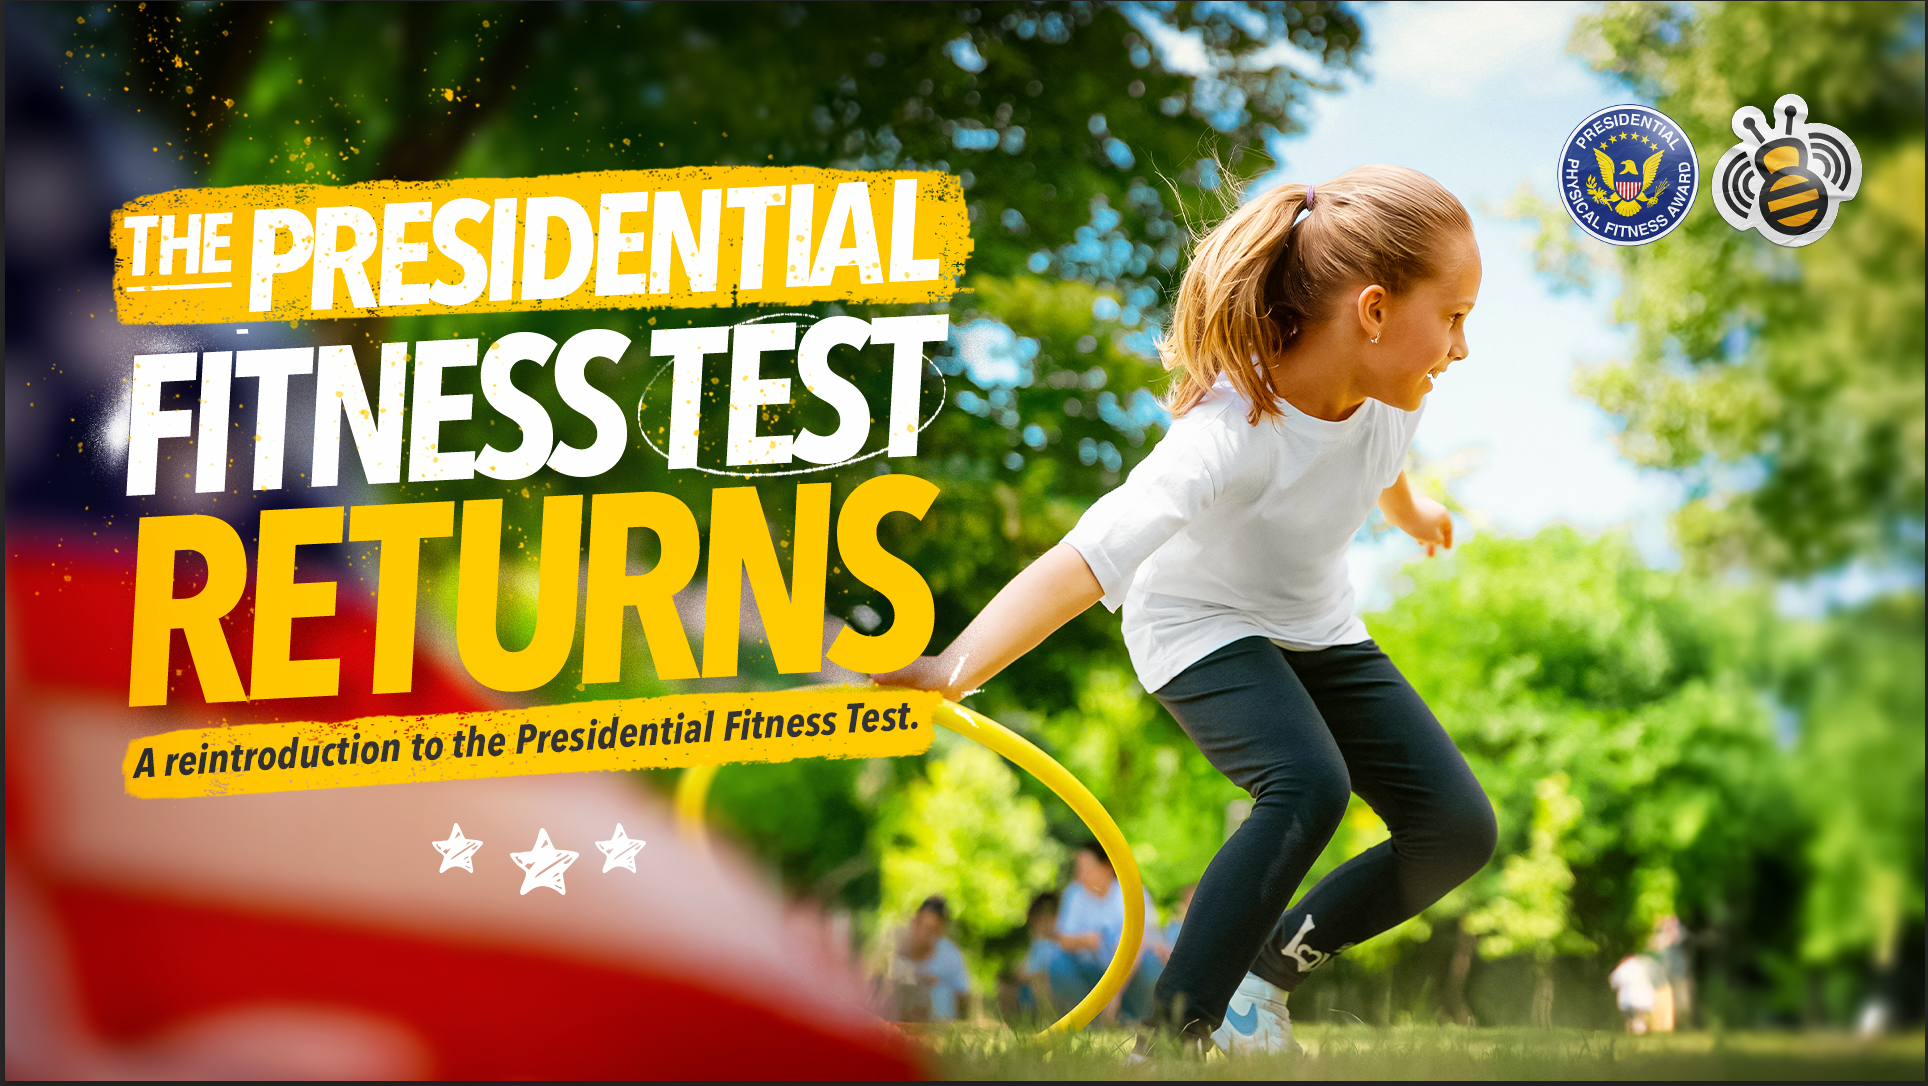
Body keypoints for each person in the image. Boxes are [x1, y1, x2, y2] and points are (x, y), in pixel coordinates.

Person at [877, 166, 1497, 1055]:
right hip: (1197, 624)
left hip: (1316, 626)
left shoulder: (1392, 393)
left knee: (1456, 831)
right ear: (1373, 311)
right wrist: (952, 668)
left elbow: (1379, 463)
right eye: (1455, 317)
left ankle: (1261, 985)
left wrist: (1413, 513)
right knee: (1307, 784)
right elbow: (1086, 559)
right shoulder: (1227, 431)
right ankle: (1170, 1040)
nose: (1462, 347)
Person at [1045, 845, 1164, 1024]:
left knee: (1151, 962)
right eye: (1078, 869)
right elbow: (1063, 940)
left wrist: (1114, 993)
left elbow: (1140, 946)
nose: (1082, 875)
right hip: (1091, 971)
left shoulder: (1132, 893)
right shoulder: (1075, 893)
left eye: (1087, 868)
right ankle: (1084, 1022)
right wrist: (1085, 940)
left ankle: (1139, 1019)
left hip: (1130, 972)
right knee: (1058, 964)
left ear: (1107, 867)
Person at [884, 896, 971, 1023]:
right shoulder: (897, 947)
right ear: (915, 921)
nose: (927, 934)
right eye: (925, 927)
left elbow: (963, 994)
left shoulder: (950, 954)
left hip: (943, 1027)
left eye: (933, 929)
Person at [1012, 892, 1061, 1020]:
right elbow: (1021, 971)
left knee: (1039, 980)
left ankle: (1048, 1016)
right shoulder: (1038, 945)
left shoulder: (1055, 947)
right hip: (1031, 996)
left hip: (1050, 992)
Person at [1609, 953, 1660, 1034]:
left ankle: (1633, 1029)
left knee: (1631, 1017)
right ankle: (1638, 1029)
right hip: (1644, 999)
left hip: (1627, 999)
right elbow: (1656, 981)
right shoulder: (1646, 964)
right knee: (1639, 1015)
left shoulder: (1624, 966)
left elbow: (1613, 981)